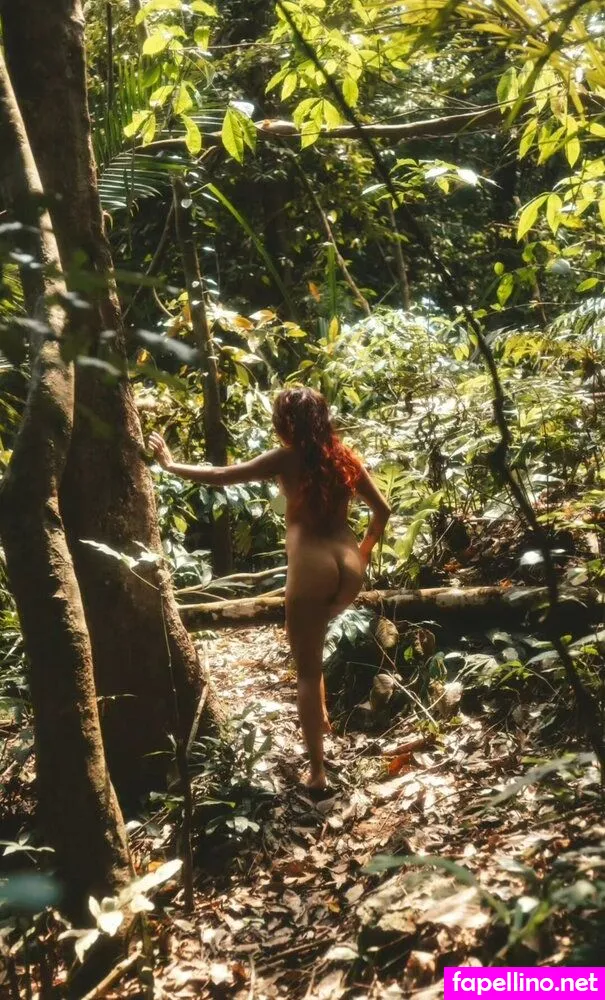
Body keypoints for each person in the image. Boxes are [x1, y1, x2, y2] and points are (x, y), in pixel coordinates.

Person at [149, 386, 391, 791]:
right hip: (348, 568)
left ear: (285, 423)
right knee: (314, 649)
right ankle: (322, 722)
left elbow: (222, 476)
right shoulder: (345, 457)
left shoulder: (285, 458)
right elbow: (382, 511)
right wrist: (362, 556)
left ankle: (317, 771)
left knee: (307, 671)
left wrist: (170, 465)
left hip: (312, 568)